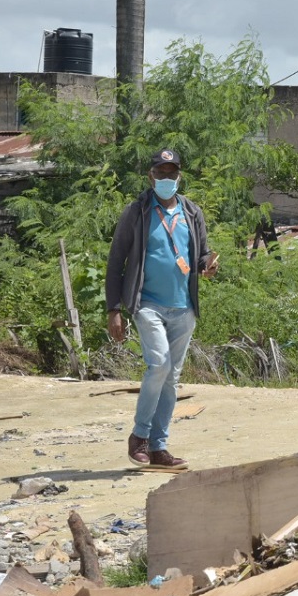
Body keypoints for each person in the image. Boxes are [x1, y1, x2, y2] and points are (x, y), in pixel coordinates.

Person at [106, 149, 218, 468]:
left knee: (172, 376)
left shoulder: (192, 213)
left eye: (172, 173)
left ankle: (158, 447)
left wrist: (207, 266)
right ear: (150, 176)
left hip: (184, 307)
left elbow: (200, 256)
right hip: (147, 303)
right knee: (159, 365)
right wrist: (114, 309)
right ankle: (139, 437)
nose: (166, 179)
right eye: (160, 173)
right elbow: (116, 263)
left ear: (179, 176)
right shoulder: (137, 212)